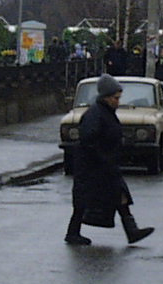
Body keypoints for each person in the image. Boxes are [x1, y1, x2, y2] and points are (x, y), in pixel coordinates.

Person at [64, 73, 154, 246]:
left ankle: (132, 230)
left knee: (120, 195)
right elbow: (89, 139)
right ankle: (73, 232)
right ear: (105, 97)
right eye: (115, 98)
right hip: (93, 167)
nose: (118, 102)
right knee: (84, 200)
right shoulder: (95, 114)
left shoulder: (106, 112)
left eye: (119, 98)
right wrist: (102, 157)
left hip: (105, 165)